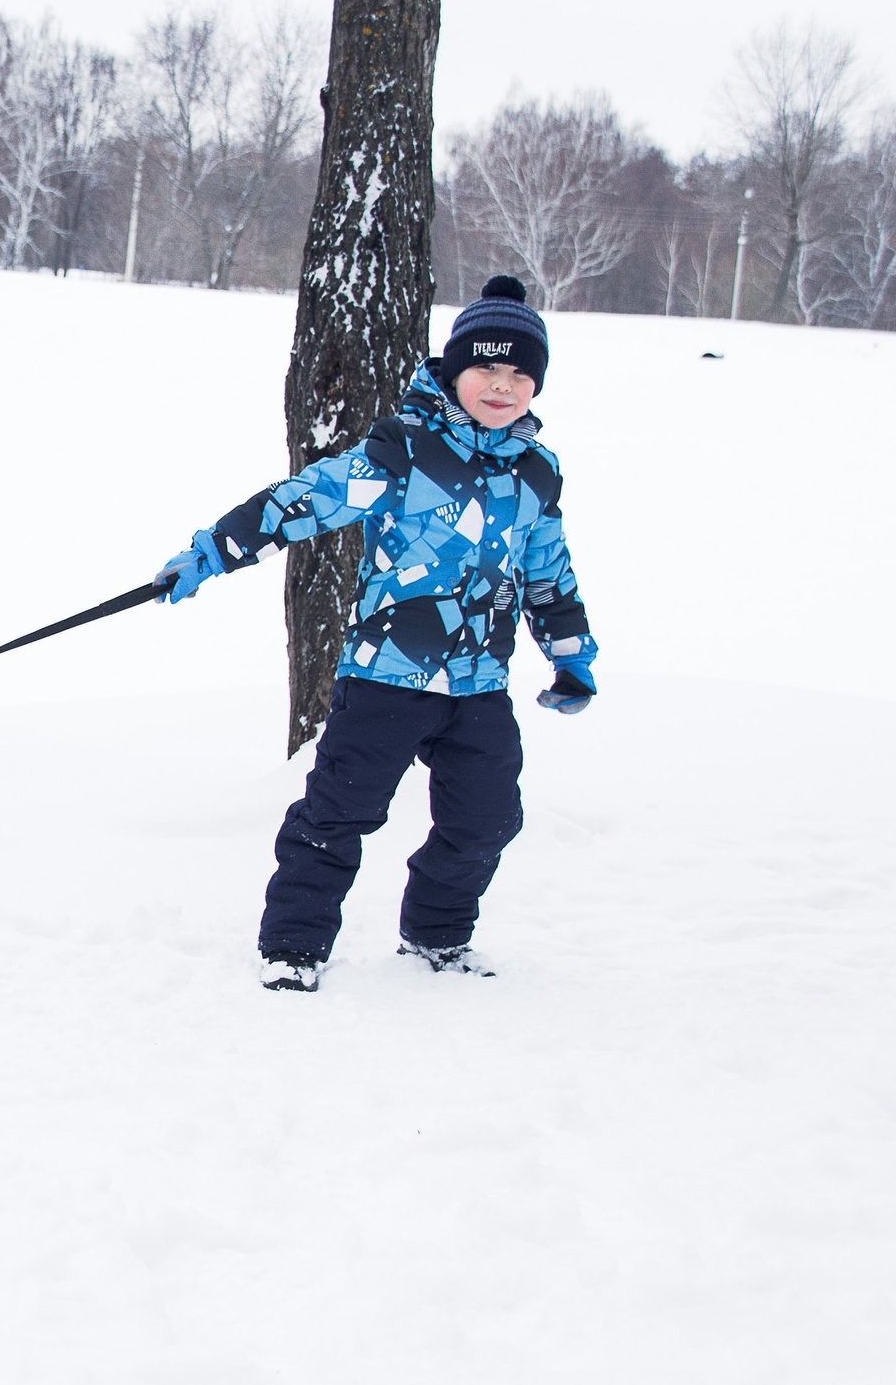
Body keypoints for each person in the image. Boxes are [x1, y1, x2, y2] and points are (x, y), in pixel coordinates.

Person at [153, 275, 597, 992]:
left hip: (480, 684)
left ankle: (437, 937)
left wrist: (571, 656)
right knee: (339, 813)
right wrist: (212, 553)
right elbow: (307, 501)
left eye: (520, 373)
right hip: (387, 674)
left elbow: (548, 570)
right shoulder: (405, 451)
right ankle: (293, 945)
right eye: (486, 366)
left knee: (488, 819)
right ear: (453, 370)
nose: (502, 384)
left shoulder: (538, 475)